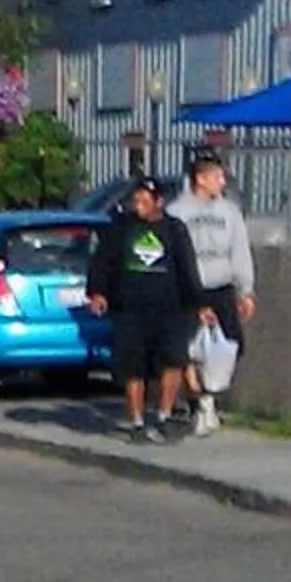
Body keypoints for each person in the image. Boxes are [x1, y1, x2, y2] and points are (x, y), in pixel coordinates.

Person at [87, 176, 212, 443]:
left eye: (145, 201)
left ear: (159, 202)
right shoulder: (121, 229)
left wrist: (199, 303)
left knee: (173, 361)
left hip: (170, 309)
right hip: (131, 309)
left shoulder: (174, 230)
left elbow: (187, 268)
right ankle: (136, 422)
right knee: (133, 368)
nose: (138, 205)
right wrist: (98, 292)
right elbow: (102, 263)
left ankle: (165, 415)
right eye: (136, 200)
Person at [168, 149, 257, 436]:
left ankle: (208, 397)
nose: (222, 181)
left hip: (221, 288)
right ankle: (199, 404)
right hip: (189, 289)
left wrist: (246, 290)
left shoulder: (229, 212)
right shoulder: (176, 213)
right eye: (217, 176)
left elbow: (240, 251)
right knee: (189, 349)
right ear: (200, 178)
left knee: (228, 346)